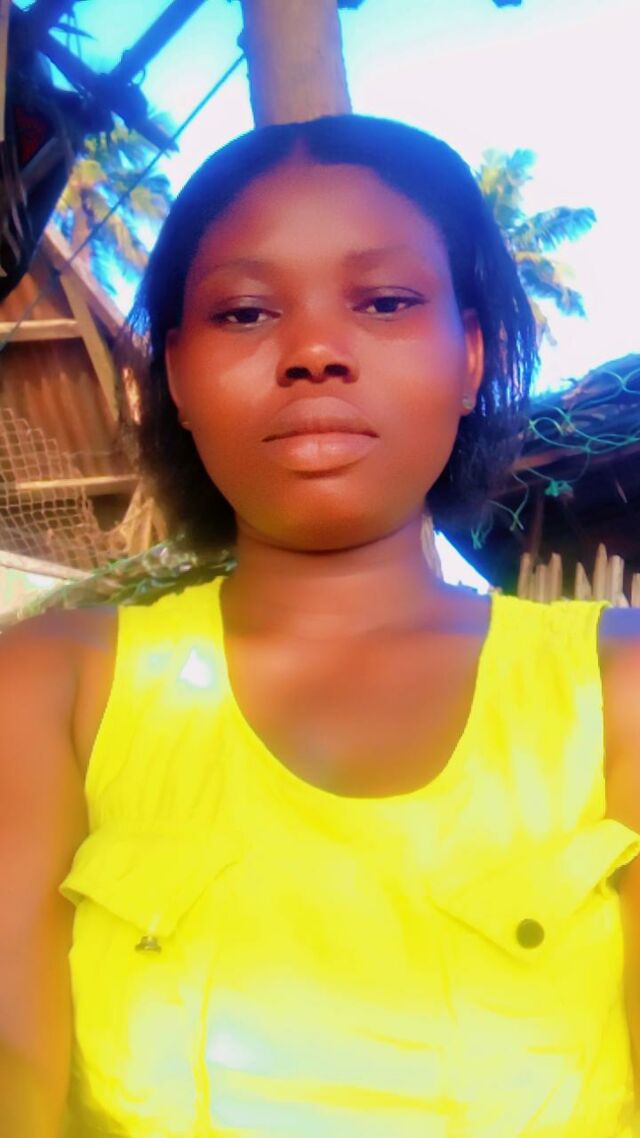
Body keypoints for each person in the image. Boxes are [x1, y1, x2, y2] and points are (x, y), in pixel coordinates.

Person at [1, 114, 639, 1138]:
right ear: (175, 377)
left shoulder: (615, 695)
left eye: (385, 302)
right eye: (245, 312)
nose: (312, 353)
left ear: (471, 355)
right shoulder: (51, 692)